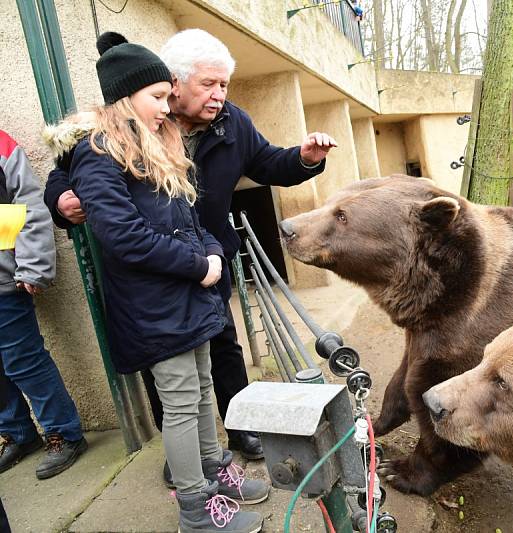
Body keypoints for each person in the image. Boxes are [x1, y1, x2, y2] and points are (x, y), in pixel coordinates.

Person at [44, 28, 337, 467]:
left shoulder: (232, 122)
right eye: (209, 84)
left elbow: (268, 162)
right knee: (166, 370)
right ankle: (181, 458)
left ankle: (240, 429)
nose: (219, 94)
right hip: (152, 275)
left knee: (221, 346)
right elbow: (67, 172)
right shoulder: (126, 131)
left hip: (208, 255)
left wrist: (305, 158)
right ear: (174, 84)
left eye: (224, 84)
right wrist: (61, 199)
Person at [47, 32, 268, 532]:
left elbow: (189, 218)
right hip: (154, 305)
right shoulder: (97, 152)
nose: (168, 108)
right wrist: (197, 266)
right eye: (158, 98)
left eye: (169, 97)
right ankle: (195, 507)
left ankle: (216, 475)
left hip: (189, 298)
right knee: (180, 403)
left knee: (204, 390)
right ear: (126, 97)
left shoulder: (156, 146)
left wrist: (210, 251)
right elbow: (122, 235)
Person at [0, 129, 87, 480]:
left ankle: (64, 432)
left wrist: (32, 265)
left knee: (23, 359)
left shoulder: (1, 146)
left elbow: (26, 205)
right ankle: (19, 433)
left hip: (4, 280)